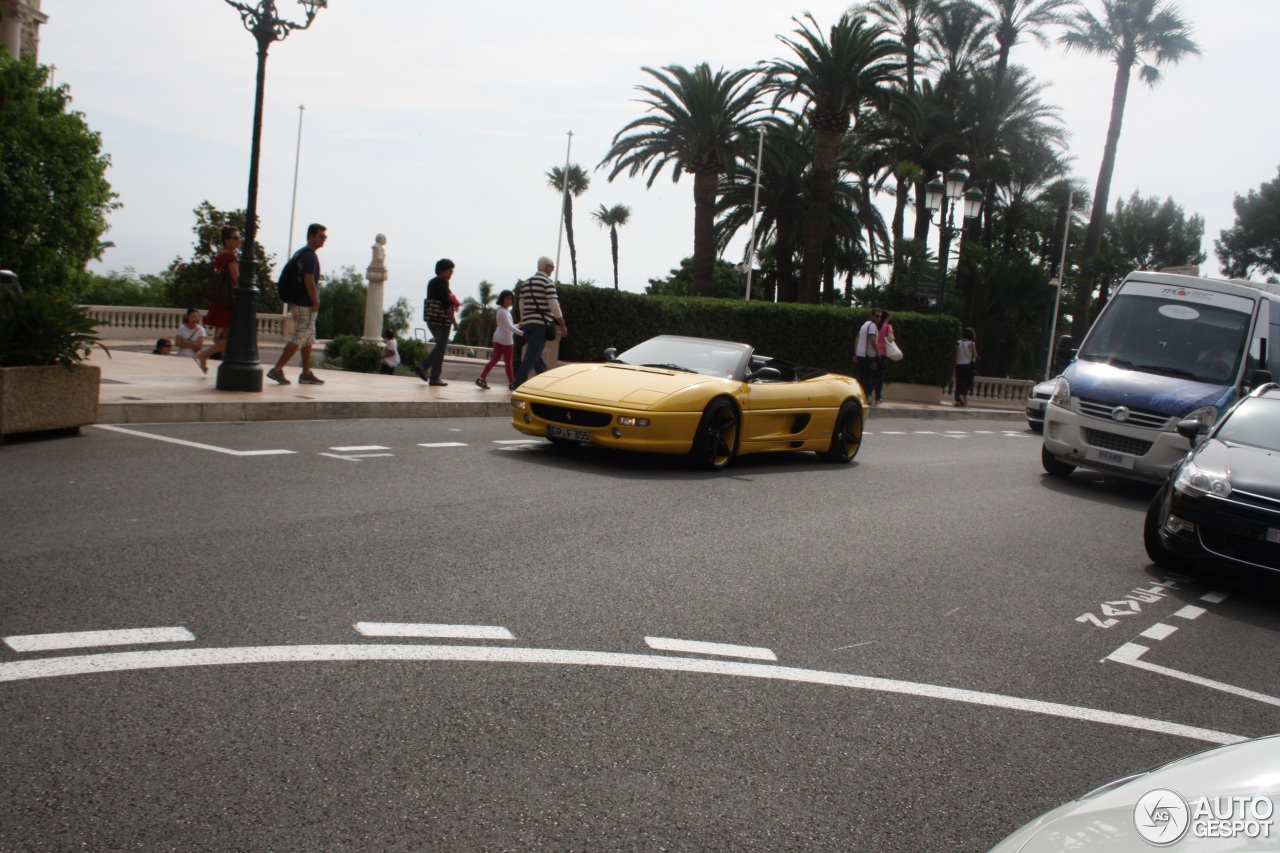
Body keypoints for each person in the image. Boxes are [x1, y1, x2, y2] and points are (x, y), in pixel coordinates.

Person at [267, 222, 327, 386]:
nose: (324, 240)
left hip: (298, 302)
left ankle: (306, 373)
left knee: (307, 339)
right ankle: (277, 369)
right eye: (321, 236)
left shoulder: (300, 253)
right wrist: (316, 300)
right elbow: (309, 280)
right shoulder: (309, 256)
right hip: (305, 304)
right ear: (311, 236)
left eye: (325, 237)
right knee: (300, 336)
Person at [512, 256, 567, 389]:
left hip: (528, 323)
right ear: (546, 267)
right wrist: (563, 324)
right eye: (552, 267)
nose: (553, 270)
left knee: (536, 355)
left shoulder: (526, 283)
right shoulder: (548, 283)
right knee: (532, 355)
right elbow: (554, 304)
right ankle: (518, 382)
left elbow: (521, 304)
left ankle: (545, 381)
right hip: (540, 325)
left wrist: (524, 319)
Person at [198, 226, 239, 373]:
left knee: (226, 336)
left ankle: (226, 366)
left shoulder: (220, 255)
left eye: (239, 237)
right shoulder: (231, 257)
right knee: (231, 337)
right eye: (235, 237)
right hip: (227, 302)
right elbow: (236, 279)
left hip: (219, 300)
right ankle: (204, 355)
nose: (238, 240)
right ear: (226, 240)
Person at [412, 258, 458, 387]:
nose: (451, 273)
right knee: (441, 347)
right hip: (442, 320)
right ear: (442, 270)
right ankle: (434, 376)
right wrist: (454, 322)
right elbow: (446, 305)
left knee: (440, 346)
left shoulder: (431, 282)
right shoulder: (443, 283)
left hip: (431, 319)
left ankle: (424, 367)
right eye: (450, 270)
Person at [475, 289, 522, 389]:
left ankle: (481, 378)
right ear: (502, 299)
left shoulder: (502, 311)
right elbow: (509, 327)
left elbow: (507, 326)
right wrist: (523, 334)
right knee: (508, 363)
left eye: (510, 299)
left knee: (494, 360)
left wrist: (518, 325)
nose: (509, 301)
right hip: (506, 340)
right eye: (507, 298)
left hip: (497, 338)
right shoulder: (504, 312)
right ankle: (511, 383)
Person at [852, 308, 881, 404]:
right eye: (876, 316)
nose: (878, 318)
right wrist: (877, 352)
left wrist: (856, 353)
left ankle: (861, 396)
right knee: (871, 376)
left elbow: (857, 339)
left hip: (861, 355)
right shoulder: (872, 326)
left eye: (880, 316)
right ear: (872, 316)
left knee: (863, 377)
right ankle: (866, 396)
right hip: (868, 356)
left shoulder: (865, 325)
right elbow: (872, 339)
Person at [873, 310, 895, 405]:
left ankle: (871, 393)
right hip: (882, 353)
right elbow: (891, 339)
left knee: (873, 374)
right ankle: (877, 396)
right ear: (887, 318)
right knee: (880, 375)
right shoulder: (888, 326)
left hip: (873, 353)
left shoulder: (875, 326)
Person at [955, 327, 980, 407]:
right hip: (967, 366)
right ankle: (965, 401)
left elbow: (956, 354)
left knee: (959, 382)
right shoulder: (971, 343)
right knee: (967, 383)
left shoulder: (958, 342)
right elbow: (975, 355)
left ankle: (958, 400)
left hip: (959, 365)